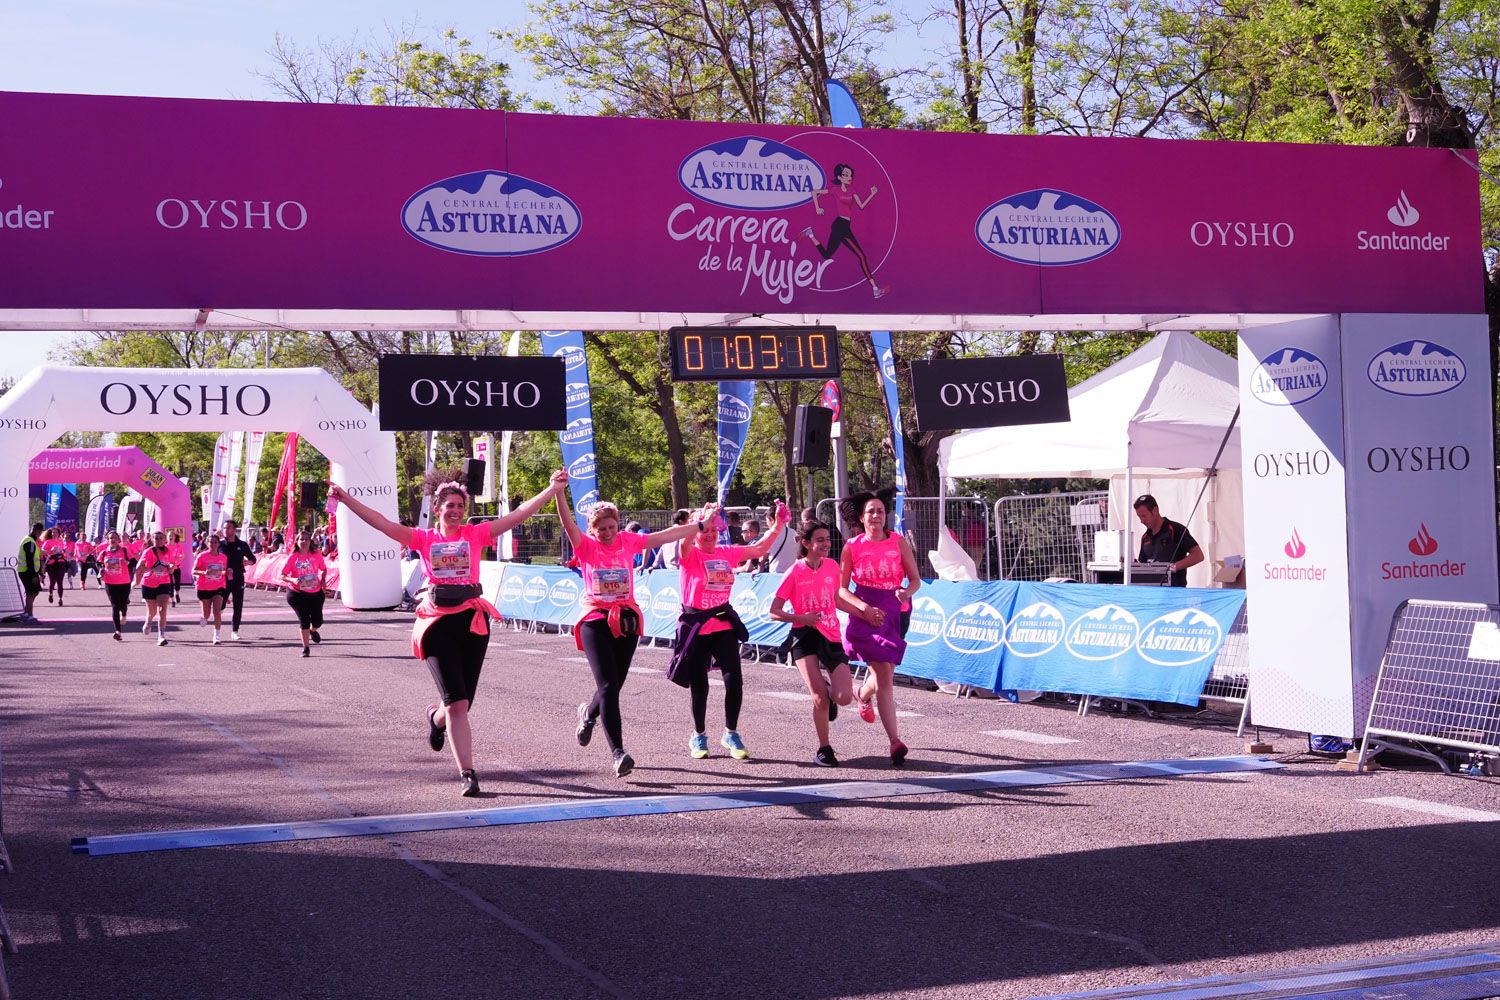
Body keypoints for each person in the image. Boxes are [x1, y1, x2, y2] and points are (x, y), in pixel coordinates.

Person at [328, 472, 565, 797]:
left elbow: (519, 514)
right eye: (449, 505)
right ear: (437, 508)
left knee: (461, 704)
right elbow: (382, 523)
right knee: (457, 704)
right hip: (437, 624)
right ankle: (468, 773)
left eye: (459, 506)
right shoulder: (423, 539)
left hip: (472, 622)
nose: (454, 510)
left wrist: (551, 489)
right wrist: (345, 499)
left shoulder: (476, 533)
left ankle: (436, 718)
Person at [558, 486, 715, 778]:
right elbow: (567, 523)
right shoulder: (586, 546)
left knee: (613, 686)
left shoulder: (628, 541)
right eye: (601, 528)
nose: (607, 532)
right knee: (607, 687)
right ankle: (618, 753)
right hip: (595, 618)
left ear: (618, 525)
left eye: (611, 526)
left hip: (627, 619)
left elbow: (666, 536)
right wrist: (558, 493)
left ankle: (588, 714)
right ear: (592, 530)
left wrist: (701, 524)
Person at [669, 500, 791, 762]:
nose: (710, 534)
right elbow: (684, 543)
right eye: (705, 530)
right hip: (696, 626)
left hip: (723, 622)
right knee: (699, 685)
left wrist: (779, 524)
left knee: (733, 679)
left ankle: (731, 733)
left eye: (714, 529)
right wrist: (699, 521)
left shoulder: (726, 552)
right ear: (697, 530)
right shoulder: (690, 553)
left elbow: (759, 548)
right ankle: (699, 735)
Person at [839, 487, 921, 766]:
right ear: (862, 518)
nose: (876, 515)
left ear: (886, 516)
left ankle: (862, 694)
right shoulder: (853, 547)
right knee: (885, 677)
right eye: (870, 512)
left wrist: (905, 593)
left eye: (880, 511)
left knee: (886, 672)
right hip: (867, 612)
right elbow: (841, 590)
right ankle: (895, 742)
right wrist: (863, 608)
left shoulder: (898, 542)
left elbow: (915, 580)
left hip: (896, 611)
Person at [768, 520, 859, 767]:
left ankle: (831, 691)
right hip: (804, 637)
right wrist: (801, 618)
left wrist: (865, 613)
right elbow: (774, 611)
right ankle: (824, 749)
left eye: (827, 539)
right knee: (818, 697)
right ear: (806, 544)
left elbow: (838, 600)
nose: (826, 544)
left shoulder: (831, 567)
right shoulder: (794, 572)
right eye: (820, 540)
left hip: (830, 635)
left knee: (843, 698)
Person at [801, 162, 890, 298]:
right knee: (861, 255)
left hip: (843, 226)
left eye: (850, 175)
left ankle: (810, 234)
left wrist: (872, 194)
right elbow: (814, 192)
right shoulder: (835, 190)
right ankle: (875, 289)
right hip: (840, 225)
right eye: (845, 175)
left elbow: (861, 206)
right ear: (839, 177)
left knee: (826, 255)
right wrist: (817, 207)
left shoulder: (852, 190)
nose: (849, 177)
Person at [1133, 494, 1204, 587]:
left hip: (1175, 593)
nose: (1142, 521)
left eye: (1144, 516)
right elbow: (1143, 564)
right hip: (1151, 592)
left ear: (1155, 510)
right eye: (1139, 517)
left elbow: (1198, 555)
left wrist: (1172, 567)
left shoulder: (1176, 529)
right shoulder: (1145, 537)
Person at [280, 530, 328, 658]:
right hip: (297, 593)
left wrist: (323, 580)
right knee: (304, 621)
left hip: (315, 592)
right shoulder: (293, 557)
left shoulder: (316, 554)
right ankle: (306, 648)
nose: (304, 541)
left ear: (310, 541)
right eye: (301, 539)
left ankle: (312, 631)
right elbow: (282, 575)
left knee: (318, 621)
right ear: (297, 541)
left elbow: (324, 569)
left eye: (307, 539)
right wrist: (293, 579)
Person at [132, 530, 179, 646]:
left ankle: (161, 636)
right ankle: (148, 621)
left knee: (162, 610)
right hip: (149, 583)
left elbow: (172, 565)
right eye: (156, 539)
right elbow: (138, 569)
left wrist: (171, 567)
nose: (158, 541)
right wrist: (152, 569)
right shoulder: (148, 552)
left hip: (164, 583)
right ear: (152, 540)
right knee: (152, 611)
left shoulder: (168, 551)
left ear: (164, 540)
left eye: (160, 539)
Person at [219, 520, 257, 639]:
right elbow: (208, 551)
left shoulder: (242, 544)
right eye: (224, 528)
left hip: (238, 578)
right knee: (221, 604)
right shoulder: (220, 544)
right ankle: (217, 618)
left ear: (234, 530)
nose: (225, 530)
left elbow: (253, 559)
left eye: (228, 527)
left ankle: (235, 631)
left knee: (238, 605)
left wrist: (248, 562)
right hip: (223, 579)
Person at [192, 532, 229, 645]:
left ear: (219, 544)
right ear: (207, 543)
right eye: (211, 542)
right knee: (207, 615)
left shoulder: (223, 557)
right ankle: (204, 617)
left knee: (217, 611)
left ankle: (216, 636)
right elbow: (193, 571)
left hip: (218, 586)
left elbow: (223, 571)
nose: (213, 544)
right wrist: (204, 572)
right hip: (204, 587)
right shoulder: (202, 556)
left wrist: (227, 572)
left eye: (215, 542)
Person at [97, 531, 134, 640]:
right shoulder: (104, 552)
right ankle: (118, 631)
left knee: (123, 603)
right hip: (110, 582)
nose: (112, 540)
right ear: (107, 540)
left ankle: (124, 614)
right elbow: (98, 563)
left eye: (114, 538)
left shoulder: (124, 550)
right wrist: (101, 569)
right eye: (110, 538)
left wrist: (127, 563)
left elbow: (132, 562)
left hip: (124, 581)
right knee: (115, 605)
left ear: (118, 540)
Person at [15, 523, 42, 623]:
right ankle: (29, 616)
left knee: (33, 592)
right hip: (27, 572)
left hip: (26, 571)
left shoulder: (29, 540)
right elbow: (30, 559)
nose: (38, 533)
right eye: (38, 531)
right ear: (38, 532)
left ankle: (26, 614)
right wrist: (34, 575)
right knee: (32, 593)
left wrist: (39, 572)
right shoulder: (30, 542)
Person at [40, 528, 70, 605]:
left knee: (60, 582)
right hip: (51, 563)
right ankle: (50, 594)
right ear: (51, 533)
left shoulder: (61, 542)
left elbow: (66, 551)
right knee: (52, 582)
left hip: (61, 563)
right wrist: (51, 550)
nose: (54, 533)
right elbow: (42, 552)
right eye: (53, 532)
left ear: (59, 533)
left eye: (56, 532)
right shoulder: (47, 542)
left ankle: (60, 599)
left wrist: (64, 551)